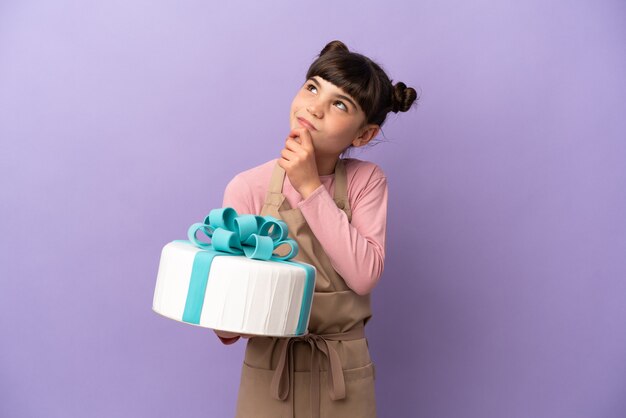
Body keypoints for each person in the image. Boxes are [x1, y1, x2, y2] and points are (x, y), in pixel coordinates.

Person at [214, 40, 417, 418]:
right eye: (312, 87)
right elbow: (228, 327)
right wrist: (222, 306)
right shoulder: (248, 187)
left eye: (340, 104)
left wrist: (309, 186)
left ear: (364, 135)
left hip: (343, 367)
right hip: (271, 367)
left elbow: (363, 275)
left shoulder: (366, 181)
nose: (315, 107)